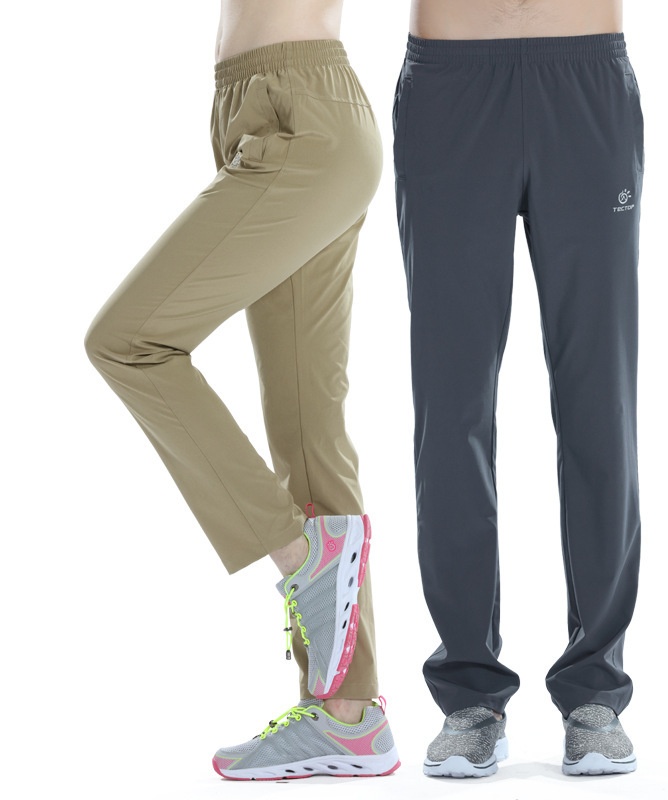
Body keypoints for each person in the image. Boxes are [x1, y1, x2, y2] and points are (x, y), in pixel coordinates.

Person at [85, 0, 399, 781]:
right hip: (271, 108)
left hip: (300, 112)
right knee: (307, 429)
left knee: (129, 343)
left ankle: (299, 555)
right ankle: (348, 716)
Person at [394, 0, 643, 777]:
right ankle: (469, 695)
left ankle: (595, 693)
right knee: (451, 405)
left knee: (600, 398)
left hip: (585, 76)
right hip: (450, 83)